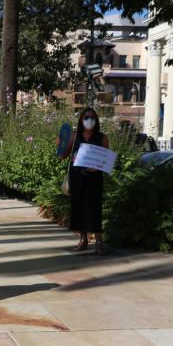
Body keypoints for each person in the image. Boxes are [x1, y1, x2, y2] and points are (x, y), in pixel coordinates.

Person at [60, 107, 109, 254]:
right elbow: (63, 155)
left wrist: (97, 168)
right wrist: (60, 144)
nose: (89, 120)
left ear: (97, 120)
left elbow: (106, 160)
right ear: (81, 120)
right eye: (86, 117)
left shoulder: (102, 137)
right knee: (79, 208)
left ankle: (99, 241)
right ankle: (83, 240)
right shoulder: (75, 136)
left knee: (95, 208)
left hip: (95, 178)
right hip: (77, 177)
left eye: (92, 117)